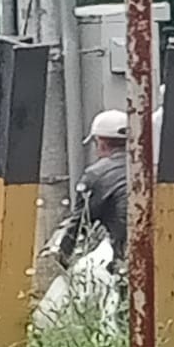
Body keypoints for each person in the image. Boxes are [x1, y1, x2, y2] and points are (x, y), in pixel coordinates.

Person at [58, 110, 128, 269]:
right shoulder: (149, 168)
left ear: (101, 142)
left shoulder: (96, 174)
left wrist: (62, 257)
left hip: (122, 254)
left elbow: (80, 221)